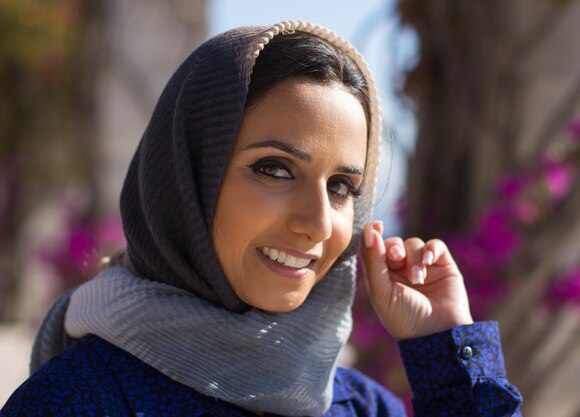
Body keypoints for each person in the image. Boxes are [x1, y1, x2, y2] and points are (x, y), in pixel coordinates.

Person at [1, 21, 523, 416]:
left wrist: (449, 356)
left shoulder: (359, 407)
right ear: (186, 179)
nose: (319, 223)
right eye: (275, 169)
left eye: (342, 187)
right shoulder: (81, 399)